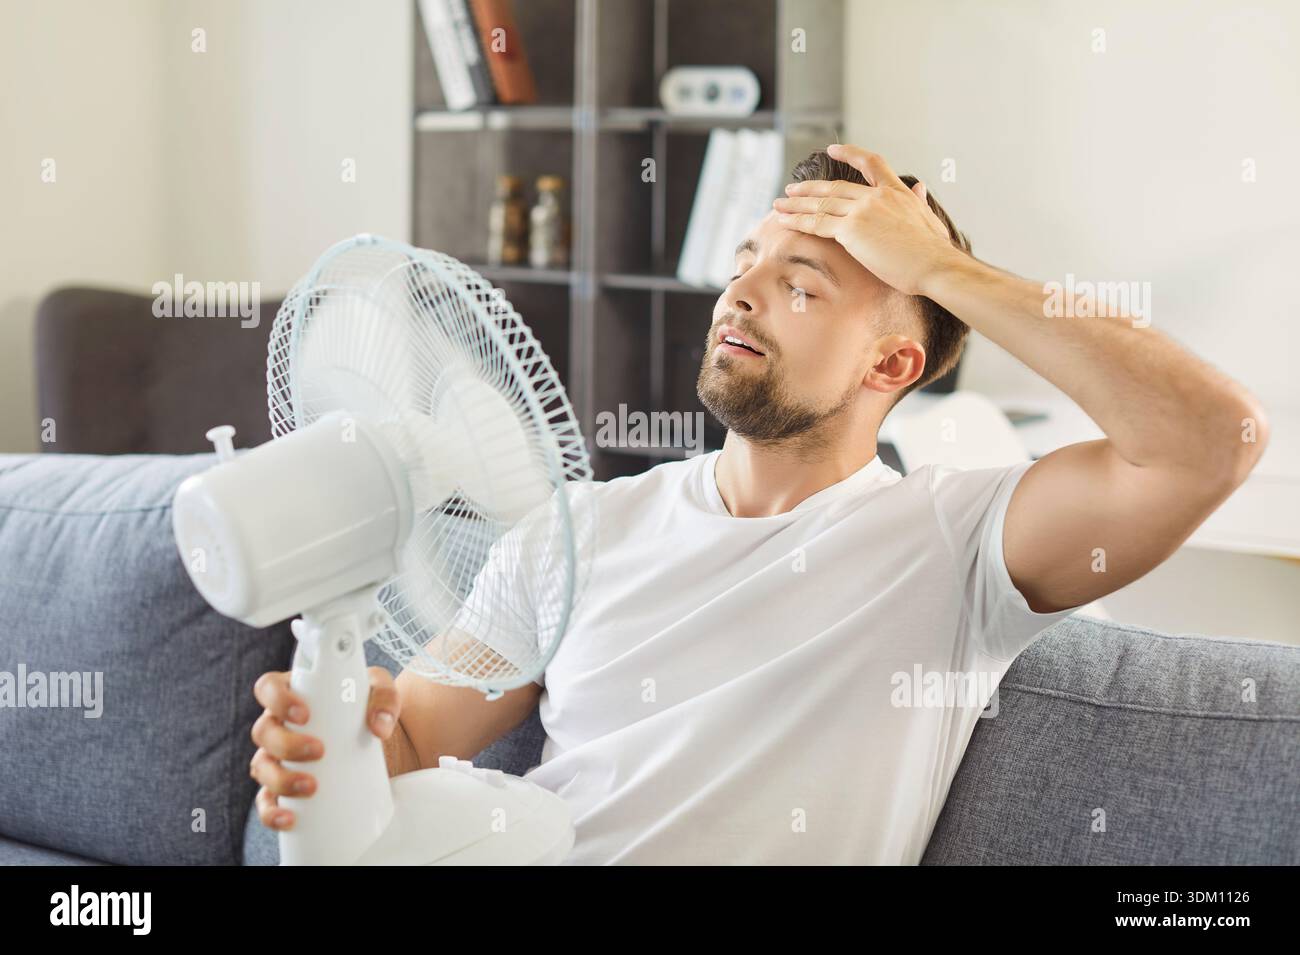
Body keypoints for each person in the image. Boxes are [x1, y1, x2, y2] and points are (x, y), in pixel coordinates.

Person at [249, 144, 1268, 864]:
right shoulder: (578, 532)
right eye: (743, 266)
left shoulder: (956, 545)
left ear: (895, 361)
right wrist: (333, 745)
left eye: (801, 283)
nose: (739, 294)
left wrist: (941, 270)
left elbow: (1212, 442)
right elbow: (418, 737)